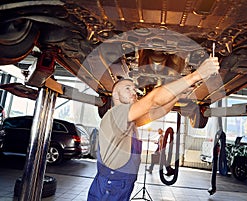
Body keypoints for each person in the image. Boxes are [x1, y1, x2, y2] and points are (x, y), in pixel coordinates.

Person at [87, 57, 220, 201]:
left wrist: (177, 97)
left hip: (119, 184)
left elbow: (159, 111)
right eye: (127, 88)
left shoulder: (128, 121)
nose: (134, 92)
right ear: (115, 95)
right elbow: (153, 100)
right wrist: (196, 75)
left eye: (134, 88)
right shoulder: (116, 113)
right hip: (110, 186)